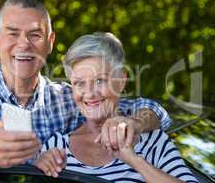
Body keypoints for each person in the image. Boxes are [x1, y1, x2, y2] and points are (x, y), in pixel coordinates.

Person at [0, 0, 171, 168]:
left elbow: (153, 110)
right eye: (13, 33)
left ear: (50, 42)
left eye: (35, 35)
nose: (24, 44)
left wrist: (132, 123)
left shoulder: (68, 99)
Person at [33, 32, 198, 183]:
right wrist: (39, 168)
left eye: (100, 80)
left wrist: (134, 160)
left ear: (121, 81)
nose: (89, 94)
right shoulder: (56, 146)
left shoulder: (152, 141)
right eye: (79, 83)